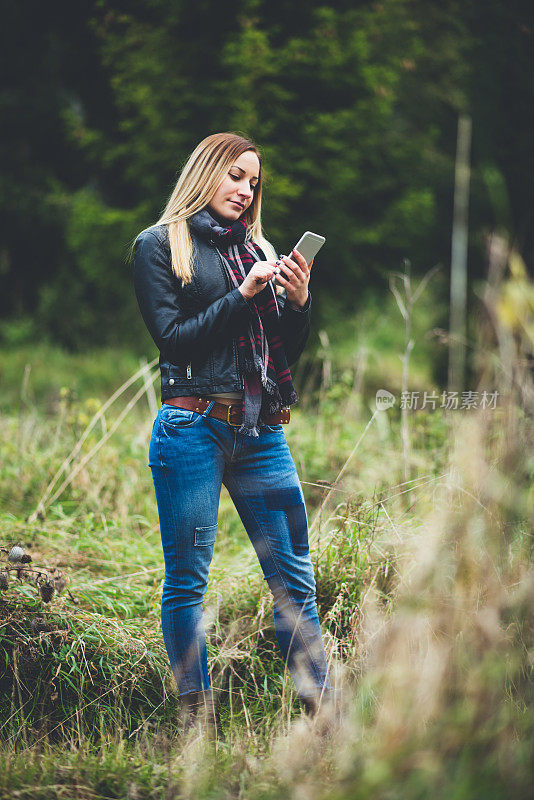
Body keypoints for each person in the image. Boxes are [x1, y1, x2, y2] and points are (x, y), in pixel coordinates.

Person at [133, 132, 336, 741]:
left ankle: (320, 714)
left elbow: (280, 352)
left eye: (253, 182)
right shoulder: (157, 245)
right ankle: (194, 721)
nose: (246, 191)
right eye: (235, 176)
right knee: (188, 580)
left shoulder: (260, 249)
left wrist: (296, 303)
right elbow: (173, 339)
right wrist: (241, 297)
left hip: (260, 431)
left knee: (293, 573)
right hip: (192, 426)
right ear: (206, 172)